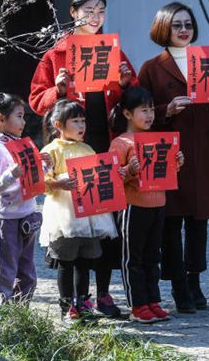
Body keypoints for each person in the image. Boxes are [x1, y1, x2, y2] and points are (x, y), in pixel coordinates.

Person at [138, 2, 209, 313]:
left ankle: (195, 281)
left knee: (199, 222)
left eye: (188, 24)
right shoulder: (151, 67)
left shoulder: (208, 61)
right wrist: (166, 110)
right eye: (177, 25)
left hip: (202, 150)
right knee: (171, 223)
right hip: (170, 152)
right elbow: (139, 112)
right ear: (164, 28)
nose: (184, 30)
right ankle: (178, 287)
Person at [29, 0, 135, 318]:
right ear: (73, 13)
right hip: (72, 152)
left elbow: (128, 98)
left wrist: (125, 81)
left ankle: (103, 294)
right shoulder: (56, 54)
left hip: (104, 144)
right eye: (88, 10)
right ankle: (76, 298)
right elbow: (35, 99)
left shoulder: (112, 49)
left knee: (105, 223)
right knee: (76, 224)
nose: (95, 17)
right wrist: (57, 90)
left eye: (100, 11)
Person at [109, 86, 184, 323]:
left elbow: (164, 171)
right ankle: (137, 305)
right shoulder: (120, 142)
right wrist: (130, 171)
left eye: (151, 109)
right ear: (128, 114)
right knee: (134, 257)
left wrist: (177, 162)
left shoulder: (158, 139)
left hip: (158, 203)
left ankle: (153, 300)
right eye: (143, 110)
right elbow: (112, 179)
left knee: (154, 256)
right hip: (133, 205)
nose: (150, 115)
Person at [39, 99, 119, 322]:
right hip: (65, 216)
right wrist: (58, 184)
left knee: (85, 261)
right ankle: (66, 306)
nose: (81, 125)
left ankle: (83, 302)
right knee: (66, 261)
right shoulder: (51, 150)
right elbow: (42, 182)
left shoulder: (88, 148)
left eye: (83, 121)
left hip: (89, 215)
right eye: (75, 121)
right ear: (58, 125)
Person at [0, 93, 49, 305]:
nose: (24, 122)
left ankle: (20, 314)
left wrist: (45, 166)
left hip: (27, 213)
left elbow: (32, 178)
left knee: (27, 273)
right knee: (5, 269)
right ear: (1, 119)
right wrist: (9, 176)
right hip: (6, 217)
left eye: (24, 116)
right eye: (19, 116)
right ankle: (3, 314)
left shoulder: (23, 144)